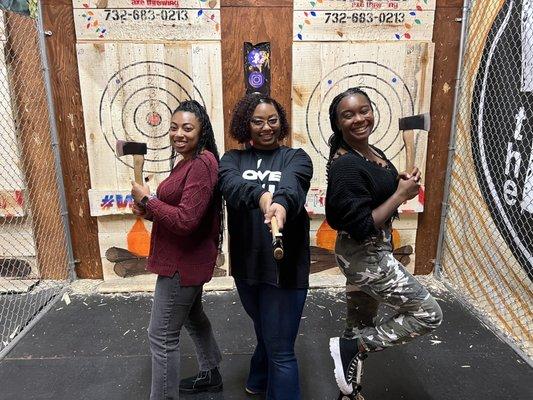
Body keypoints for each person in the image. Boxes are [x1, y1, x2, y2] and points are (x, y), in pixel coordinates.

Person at [325, 88, 443, 398]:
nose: (359, 119)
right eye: (348, 115)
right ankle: (354, 347)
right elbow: (362, 224)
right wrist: (400, 195)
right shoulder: (346, 165)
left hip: (371, 252)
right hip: (366, 256)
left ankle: (347, 389)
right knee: (428, 313)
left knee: (360, 320)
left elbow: (374, 193)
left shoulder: (369, 151)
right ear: (338, 123)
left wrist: (399, 181)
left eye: (364, 110)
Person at [219, 93, 313, 399]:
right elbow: (232, 187)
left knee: (282, 349)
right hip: (247, 267)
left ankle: (269, 381)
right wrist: (261, 197)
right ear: (246, 124)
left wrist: (282, 205)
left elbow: (293, 185)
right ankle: (259, 379)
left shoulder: (296, 157)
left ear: (281, 122)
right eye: (257, 121)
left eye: (272, 120)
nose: (265, 127)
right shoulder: (231, 159)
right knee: (265, 329)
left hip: (285, 268)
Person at [130, 100, 223, 399]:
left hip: (182, 264)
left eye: (187, 128)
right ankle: (211, 372)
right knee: (193, 315)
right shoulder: (189, 160)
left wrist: (149, 201)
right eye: (173, 127)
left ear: (202, 130)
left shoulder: (201, 164)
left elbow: (186, 221)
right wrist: (148, 209)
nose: (178, 134)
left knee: (162, 337)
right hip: (184, 260)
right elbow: (177, 209)